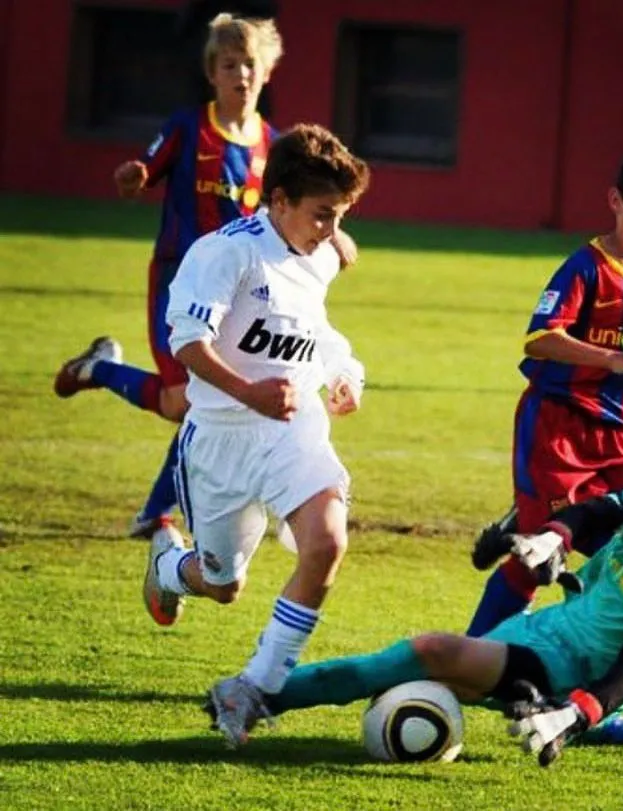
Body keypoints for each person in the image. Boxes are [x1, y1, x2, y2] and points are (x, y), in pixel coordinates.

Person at [204, 438, 623, 760]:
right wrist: (554, 537)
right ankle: (605, 720)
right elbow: (599, 511)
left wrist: (577, 708)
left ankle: (256, 696)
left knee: (430, 651)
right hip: (544, 630)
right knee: (411, 674)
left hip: (568, 667)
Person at [52, 13, 359, 539]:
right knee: (186, 400)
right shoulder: (187, 127)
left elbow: (299, 209)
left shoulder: (274, 145)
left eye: (250, 64)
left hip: (249, 293)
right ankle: (100, 373)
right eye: (228, 64)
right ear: (211, 73)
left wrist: (335, 234)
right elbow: (145, 172)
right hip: (181, 275)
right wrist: (135, 177)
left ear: (268, 73)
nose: (240, 74)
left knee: (200, 399)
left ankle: (153, 513)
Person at [145, 122, 370, 750]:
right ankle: (171, 565)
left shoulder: (319, 252)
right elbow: (186, 342)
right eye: (324, 215)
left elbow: (313, 329)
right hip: (220, 437)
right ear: (278, 202)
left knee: (326, 542)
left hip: (292, 428)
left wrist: (344, 373)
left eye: (341, 216)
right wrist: (248, 391)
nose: (334, 232)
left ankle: (253, 687)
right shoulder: (223, 254)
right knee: (223, 586)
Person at [466, 147, 623, 649]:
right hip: (558, 429)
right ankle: (470, 657)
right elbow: (539, 339)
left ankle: (589, 688)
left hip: (621, 436)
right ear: (616, 200)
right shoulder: (586, 267)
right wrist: (611, 359)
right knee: (540, 558)